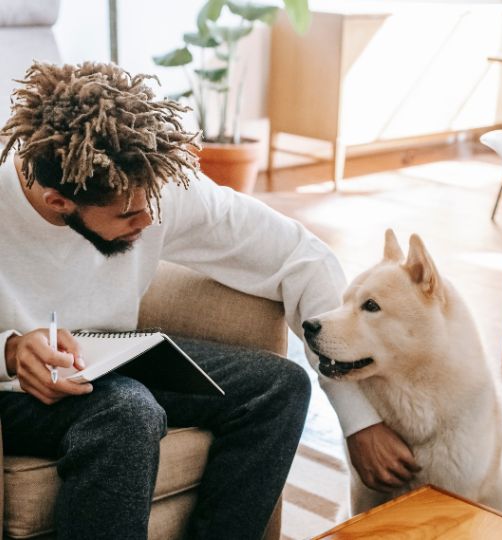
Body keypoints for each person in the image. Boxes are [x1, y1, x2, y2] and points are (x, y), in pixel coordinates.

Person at [0, 61, 418, 540]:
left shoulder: (151, 189)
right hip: (13, 393)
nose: (149, 222)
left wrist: (359, 421)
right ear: (59, 203)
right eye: (129, 216)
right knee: (127, 411)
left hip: (108, 358)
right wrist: (11, 352)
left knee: (279, 388)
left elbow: (302, 256)